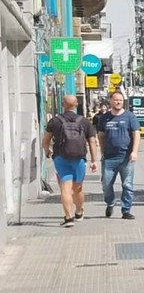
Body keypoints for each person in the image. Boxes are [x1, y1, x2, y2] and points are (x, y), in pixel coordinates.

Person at [42, 95, 100, 227]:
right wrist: (94, 160)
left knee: (65, 189)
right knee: (78, 188)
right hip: (79, 159)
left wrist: (48, 151)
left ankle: (68, 218)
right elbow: (92, 141)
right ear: (76, 105)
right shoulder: (84, 121)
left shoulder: (55, 121)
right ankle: (79, 212)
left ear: (63, 104)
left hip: (60, 158)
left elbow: (45, 141)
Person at [97, 91, 141, 220]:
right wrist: (102, 152)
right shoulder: (104, 118)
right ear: (110, 101)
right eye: (116, 100)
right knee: (106, 184)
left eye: (121, 100)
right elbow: (100, 135)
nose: (118, 102)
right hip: (109, 157)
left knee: (127, 185)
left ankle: (126, 210)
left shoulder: (130, 117)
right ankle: (110, 203)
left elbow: (136, 134)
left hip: (126, 157)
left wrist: (134, 152)